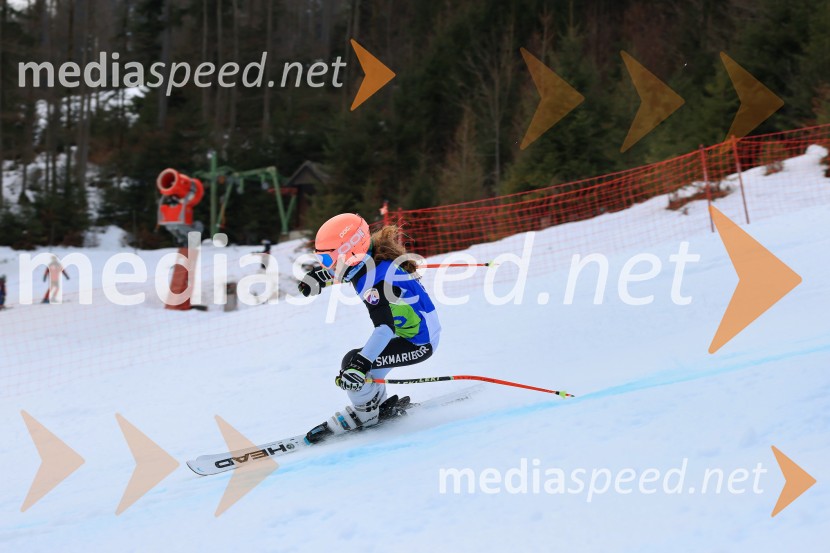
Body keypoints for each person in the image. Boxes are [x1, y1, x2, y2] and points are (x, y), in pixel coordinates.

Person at [298, 213, 441, 442]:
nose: (327, 266)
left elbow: (384, 328)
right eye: (322, 260)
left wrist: (360, 364)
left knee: (353, 364)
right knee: (360, 364)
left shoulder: (378, 283)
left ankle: (366, 415)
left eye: (327, 260)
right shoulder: (367, 259)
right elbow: (347, 271)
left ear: (349, 251)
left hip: (419, 343)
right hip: (413, 333)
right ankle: (376, 405)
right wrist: (320, 278)